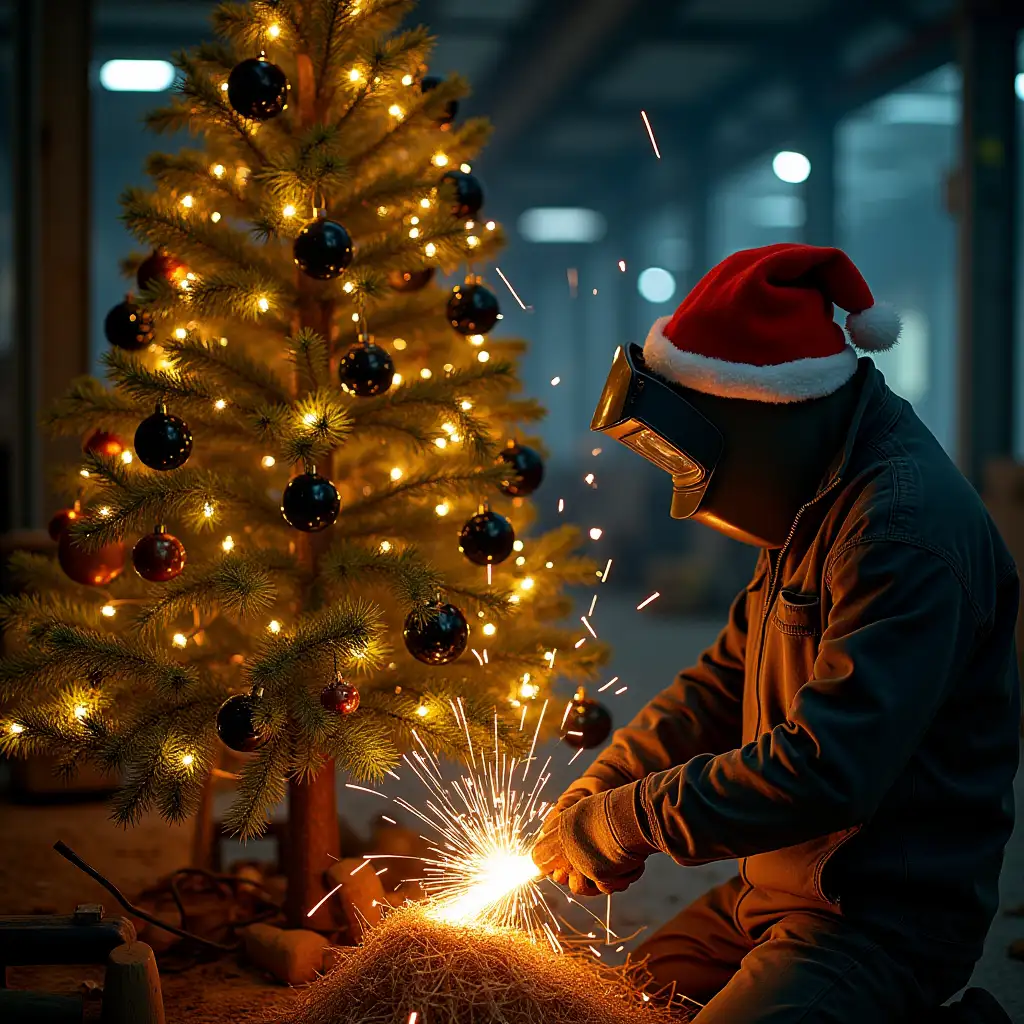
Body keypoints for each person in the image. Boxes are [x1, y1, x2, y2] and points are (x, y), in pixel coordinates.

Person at [532, 244, 1020, 1022]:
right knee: (619, 1005)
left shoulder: (900, 531)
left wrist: (635, 819)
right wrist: (609, 783)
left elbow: (829, 769)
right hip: (778, 888)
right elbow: (725, 680)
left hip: (877, 917)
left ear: (759, 413)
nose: (682, 488)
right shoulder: (816, 492)